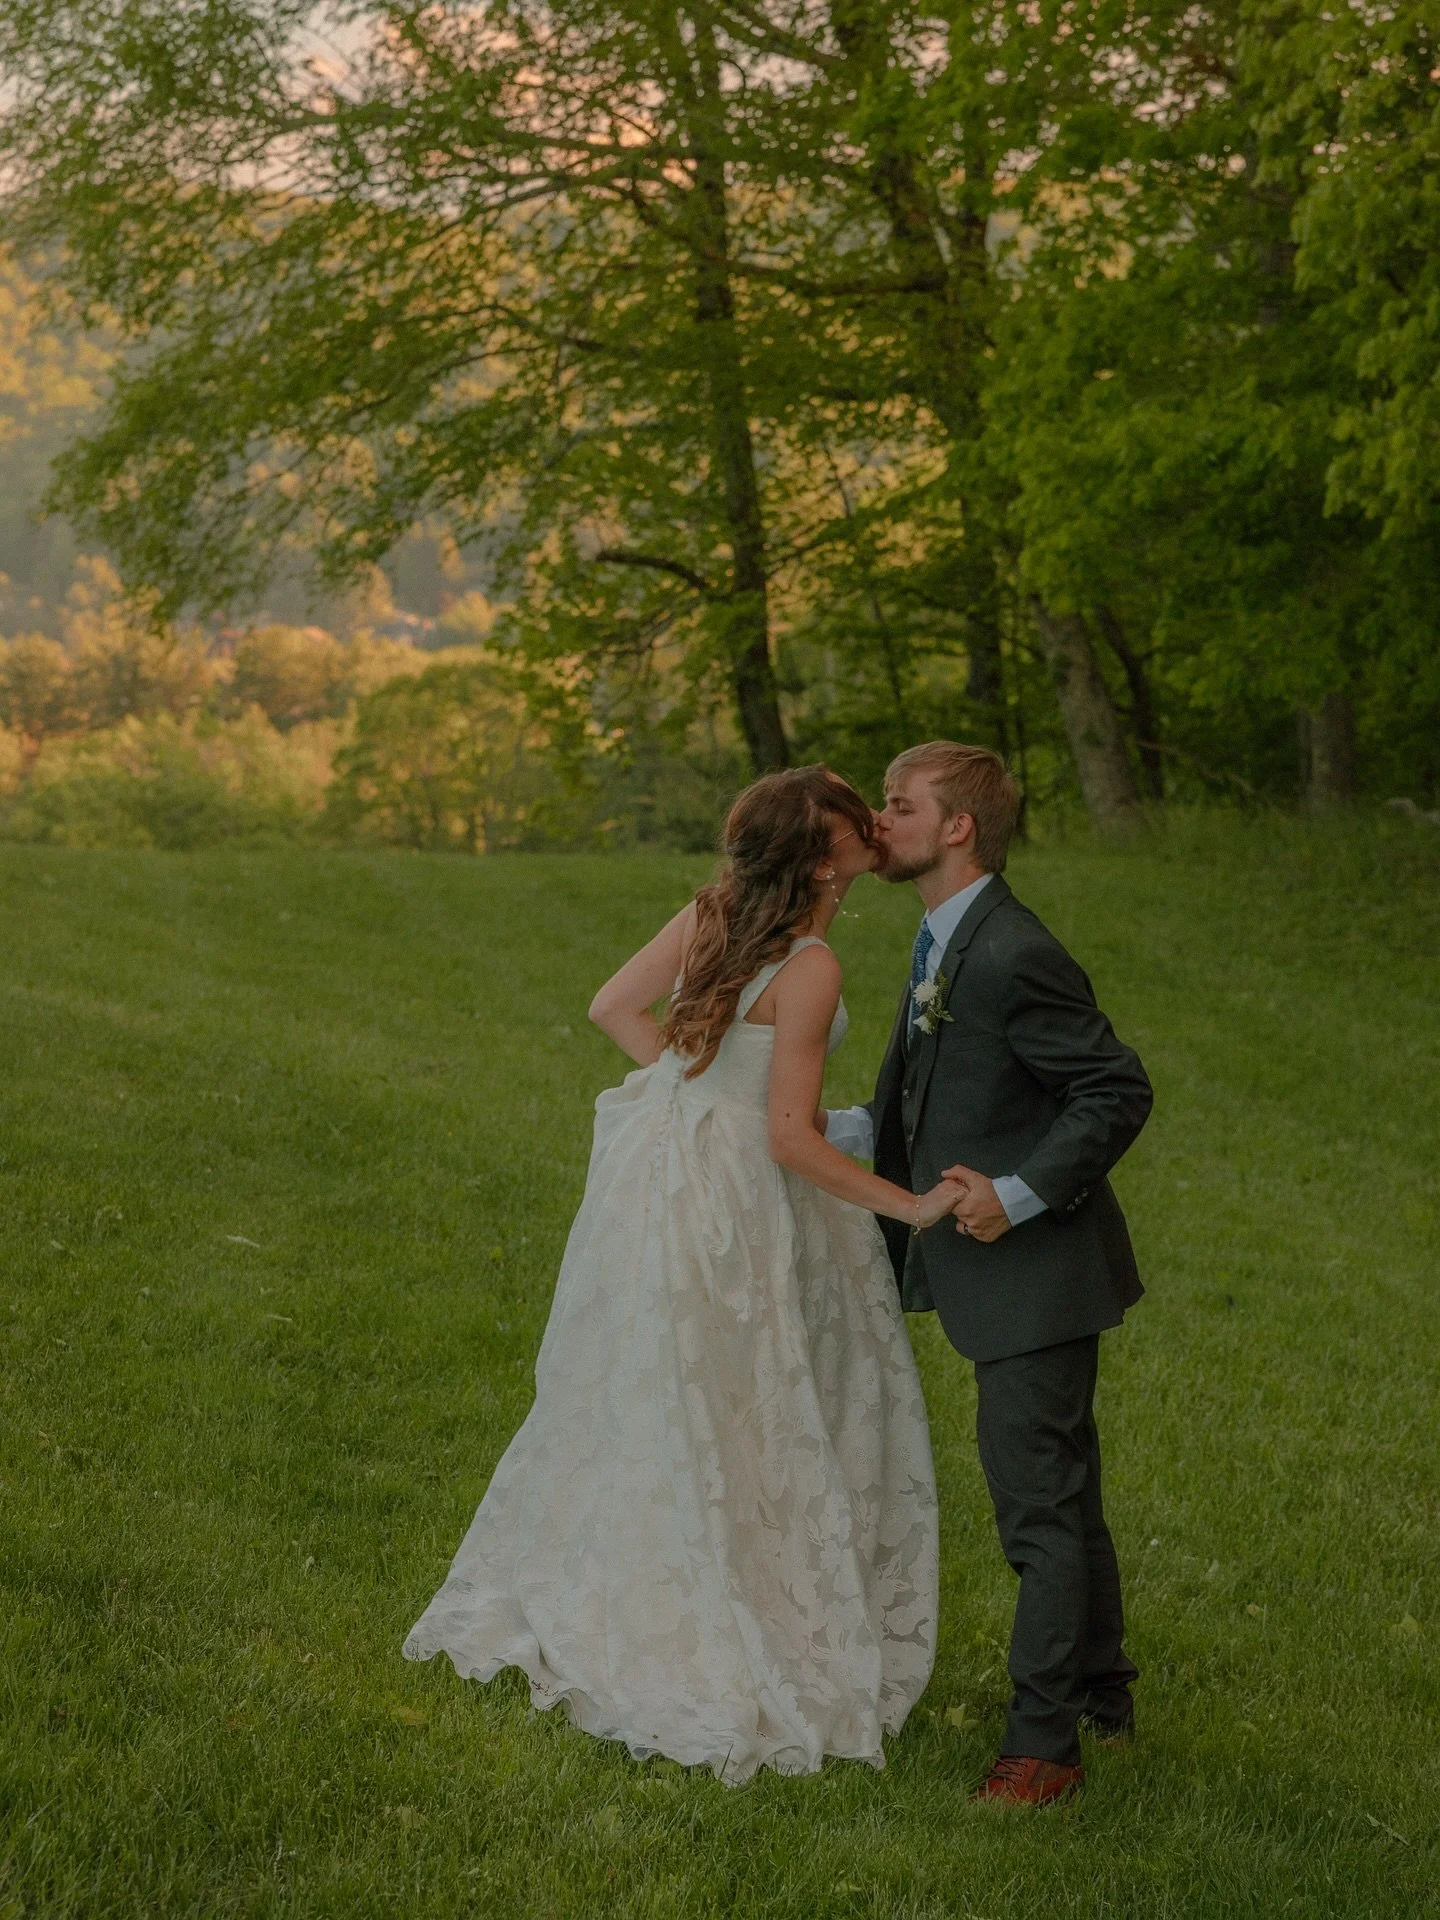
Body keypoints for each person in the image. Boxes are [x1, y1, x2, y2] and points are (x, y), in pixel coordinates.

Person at [405, 766, 964, 1784]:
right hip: (741, 1191)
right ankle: (735, 1607)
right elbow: (791, 1141)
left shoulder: (712, 912)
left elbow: (613, 1006)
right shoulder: (811, 966)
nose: (870, 825)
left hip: (665, 1177)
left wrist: (687, 1080)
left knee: (664, 1382)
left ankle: (650, 1574)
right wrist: (913, 1206)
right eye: (854, 816)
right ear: (822, 851)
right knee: (751, 1388)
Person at [825, 742, 1154, 1806]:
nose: (882, 821)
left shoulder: (1011, 950)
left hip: (1037, 1273)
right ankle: (1103, 1691)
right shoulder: (940, 938)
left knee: (1039, 1510)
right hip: (1010, 1278)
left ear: (958, 826)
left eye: (899, 804)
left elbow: (1112, 1089)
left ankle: (1042, 1747)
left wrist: (1011, 1194)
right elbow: (916, 1102)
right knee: (1065, 1490)